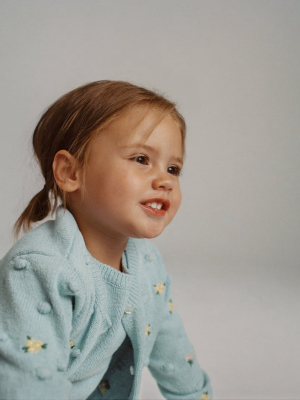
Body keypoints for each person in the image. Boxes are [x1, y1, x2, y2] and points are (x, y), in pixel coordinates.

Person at [0, 80, 212, 400]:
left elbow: (172, 350)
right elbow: (30, 384)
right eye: (141, 159)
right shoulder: (40, 269)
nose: (165, 180)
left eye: (173, 168)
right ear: (71, 172)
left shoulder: (147, 263)